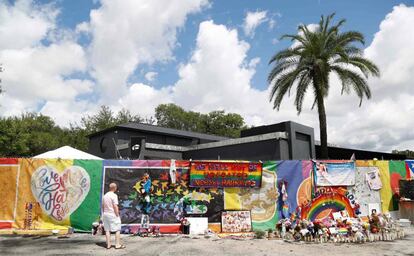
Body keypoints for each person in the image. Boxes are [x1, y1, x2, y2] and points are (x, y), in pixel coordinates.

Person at [102, 183, 125, 249]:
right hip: (112, 214)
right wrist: (117, 214)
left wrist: (104, 213)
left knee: (107, 230)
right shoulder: (114, 195)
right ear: (115, 188)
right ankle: (117, 245)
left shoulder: (105, 195)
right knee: (117, 229)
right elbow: (115, 206)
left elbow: (103, 206)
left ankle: (108, 245)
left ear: (109, 188)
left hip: (106, 214)